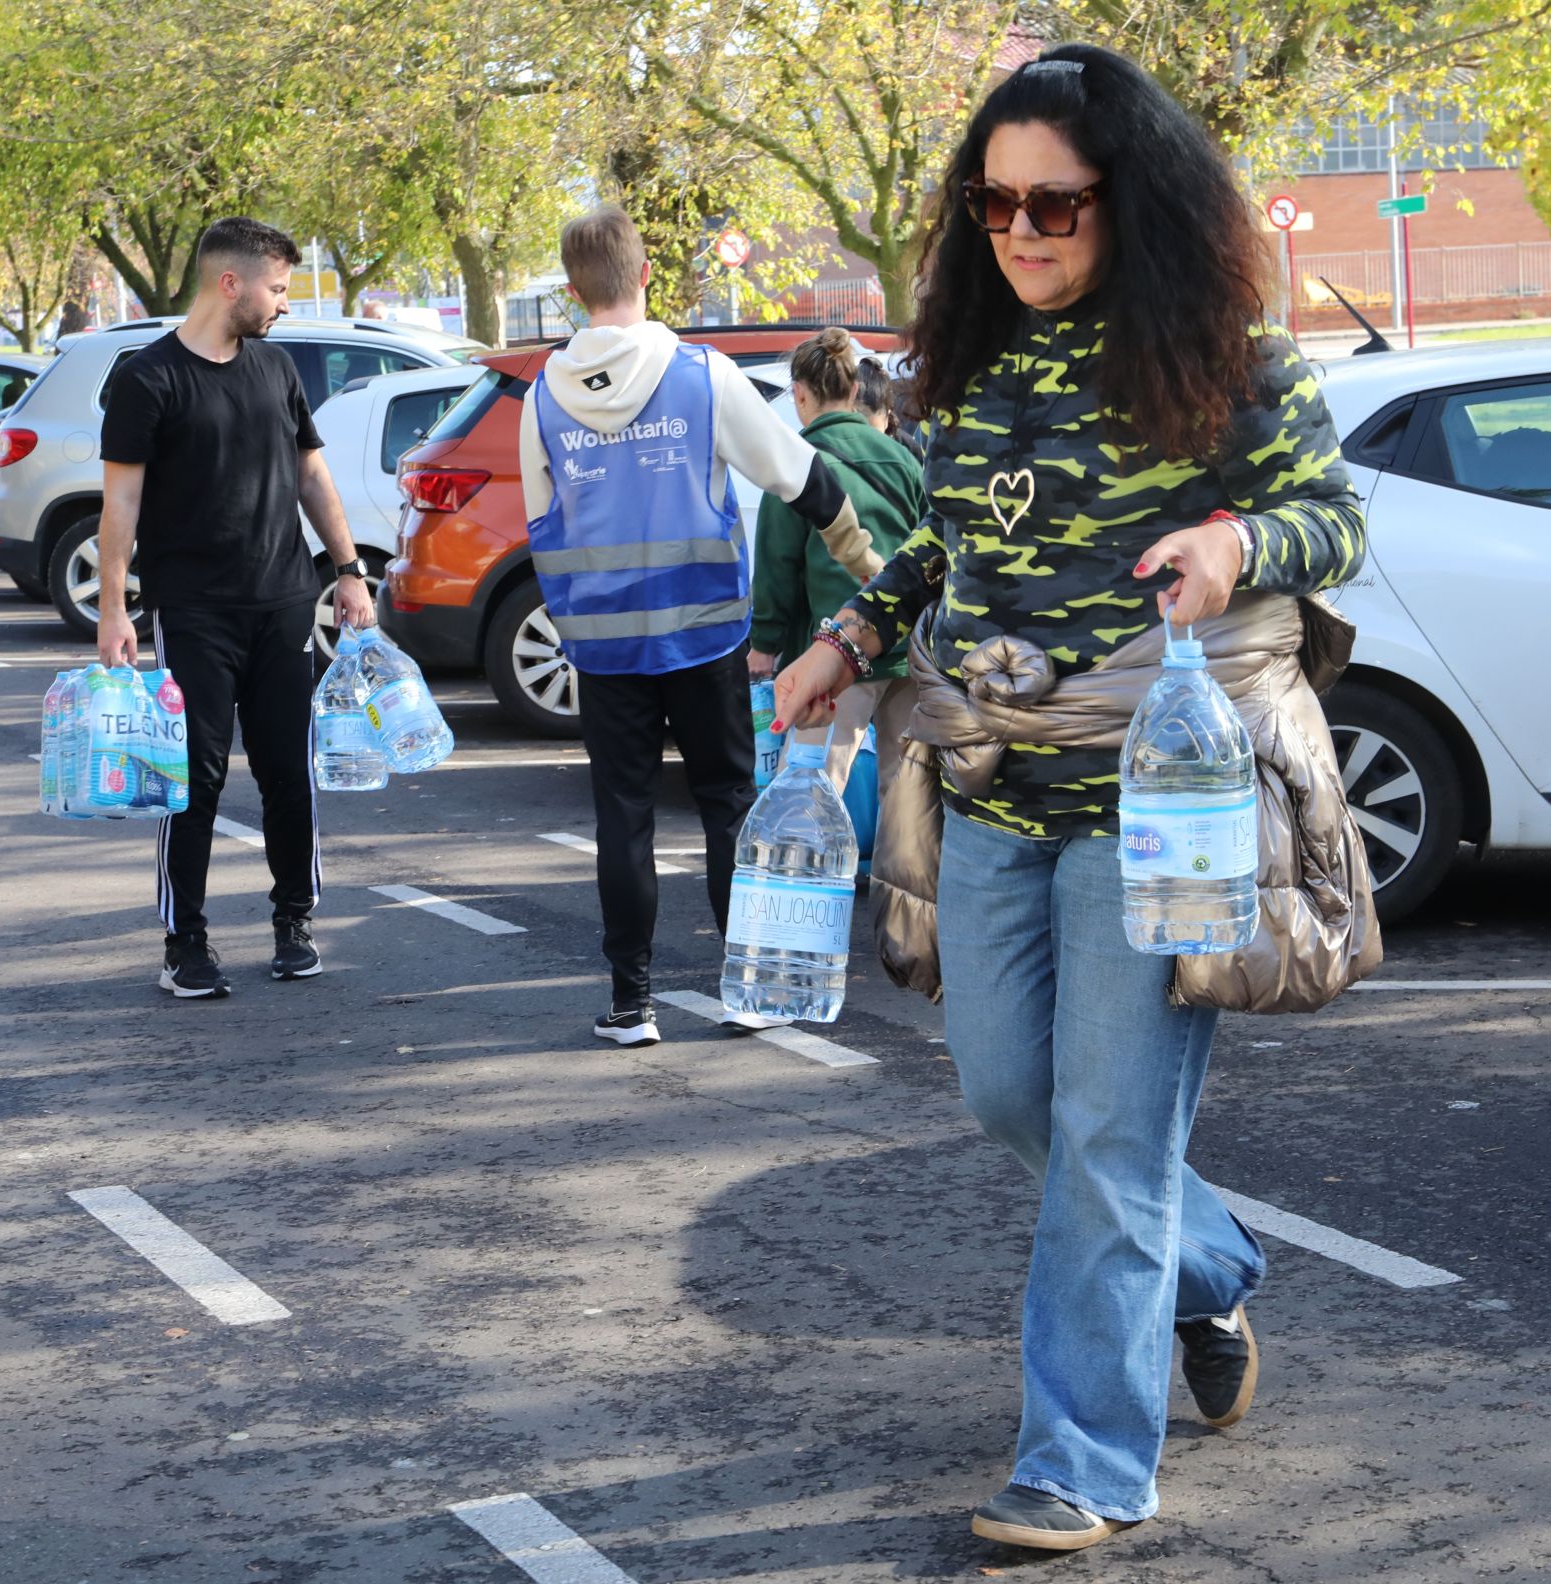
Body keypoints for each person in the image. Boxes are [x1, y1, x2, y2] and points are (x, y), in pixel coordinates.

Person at [771, 45, 1367, 1550]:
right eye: (995, 205)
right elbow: (938, 552)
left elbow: (1334, 515)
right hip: (990, 789)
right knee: (1008, 1095)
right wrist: (848, 638)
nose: (1023, 234)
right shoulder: (968, 362)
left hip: (1153, 804)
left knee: (1107, 1133)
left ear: (1133, 203)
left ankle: (1081, 1462)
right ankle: (1213, 1268)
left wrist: (1238, 541)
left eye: (1058, 205)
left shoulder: (1224, 356)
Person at [518, 204, 884, 1051]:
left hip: (605, 646)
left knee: (624, 816)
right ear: (646, 275)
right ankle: (745, 991)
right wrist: (866, 567)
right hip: (708, 636)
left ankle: (628, 1004)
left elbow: (543, 525)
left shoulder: (541, 396)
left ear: (572, 294)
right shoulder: (702, 375)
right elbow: (803, 478)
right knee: (725, 805)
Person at [97, 216, 375, 999]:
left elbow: (312, 477)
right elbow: (121, 501)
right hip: (194, 613)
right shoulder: (147, 377)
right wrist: (113, 609)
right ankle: (184, 942)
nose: (284, 303)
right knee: (195, 779)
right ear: (231, 284)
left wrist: (348, 571)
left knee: (290, 773)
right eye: (277, 288)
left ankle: (294, 922)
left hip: (284, 603)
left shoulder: (277, 369)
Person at [748, 330, 922, 797]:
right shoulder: (903, 459)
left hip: (837, 651)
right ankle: (894, 873)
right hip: (907, 650)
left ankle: (809, 870)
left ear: (799, 394)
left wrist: (763, 646)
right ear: (853, 392)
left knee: (813, 782)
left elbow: (775, 567)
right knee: (907, 792)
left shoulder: (796, 465)